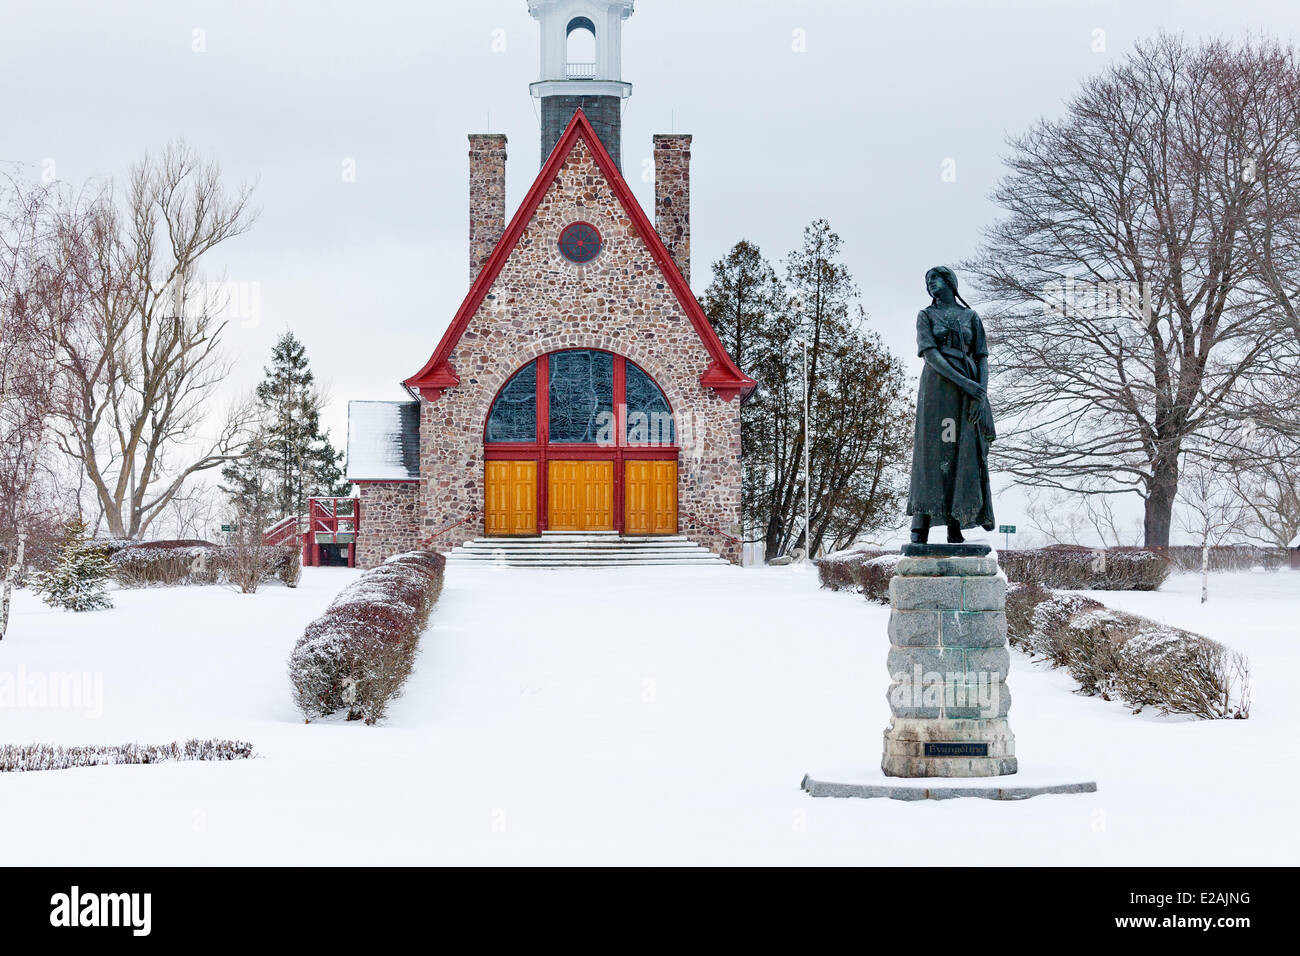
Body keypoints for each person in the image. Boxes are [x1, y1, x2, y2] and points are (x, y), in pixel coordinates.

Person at [906, 266, 995, 544]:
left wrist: (980, 394)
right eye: (927, 280)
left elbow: (981, 356)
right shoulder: (926, 315)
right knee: (932, 452)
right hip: (938, 389)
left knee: (963, 452)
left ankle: (956, 524)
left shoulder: (970, 316)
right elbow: (930, 354)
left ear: (950, 282)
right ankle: (920, 523)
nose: (931, 284)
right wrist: (965, 383)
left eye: (936, 278)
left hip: (967, 392)